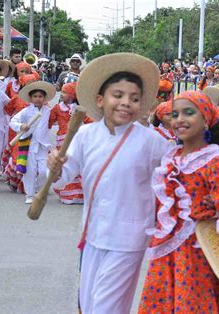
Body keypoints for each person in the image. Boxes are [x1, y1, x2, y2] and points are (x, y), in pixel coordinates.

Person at [46, 53, 172, 313]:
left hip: (129, 238)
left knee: (105, 309)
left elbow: (177, 176)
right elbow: (65, 176)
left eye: (134, 98)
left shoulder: (153, 142)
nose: (126, 103)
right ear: (101, 100)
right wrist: (55, 167)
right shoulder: (84, 134)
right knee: (90, 305)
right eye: (118, 95)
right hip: (91, 234)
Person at [139, 91, 219, 312]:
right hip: (168, 255)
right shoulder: (171, 159)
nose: (180, 119)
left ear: (206, 119)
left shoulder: (216, 163)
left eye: (189, 113)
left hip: (200, 255)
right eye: (175, 114)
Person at [10, 81, 55, 204]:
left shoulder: (49, 111)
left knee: (44, 172)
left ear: (44, 98)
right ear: (30, 98)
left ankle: (36, 189)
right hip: (28, 145)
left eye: (40, 96)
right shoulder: (26, 112)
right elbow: (13, 121)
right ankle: (29, 194)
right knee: (29, 170)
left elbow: (56, 120)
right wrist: (21, 126)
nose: (38, 99)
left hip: (43, 146)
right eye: (35, 96)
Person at [48, 82, 92, 204]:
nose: (61, 95)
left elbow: (90, 121)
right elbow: (49, 121)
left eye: (65, 92)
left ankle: (80, 194)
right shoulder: (57, 108)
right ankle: (67, 195)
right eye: (61, 92)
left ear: (73, 95)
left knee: (78, 166)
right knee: (65, 165)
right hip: (62, 141)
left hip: (77, 140)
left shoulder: (80, 109)